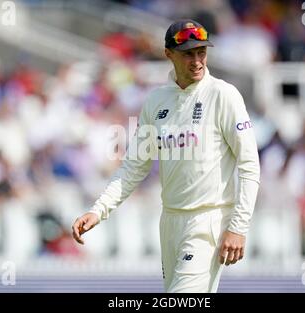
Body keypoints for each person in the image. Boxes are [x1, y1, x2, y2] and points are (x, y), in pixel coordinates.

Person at [72, 19, 260, 293]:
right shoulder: (157, 101)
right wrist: (98, 210)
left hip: (208, 220)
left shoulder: (223, 95)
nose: (197, 61)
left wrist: (238, 226)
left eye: (201, 52)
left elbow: (249, 166)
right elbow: (134, 167)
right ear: (168, 54)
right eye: (188, 54)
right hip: (170, 222)